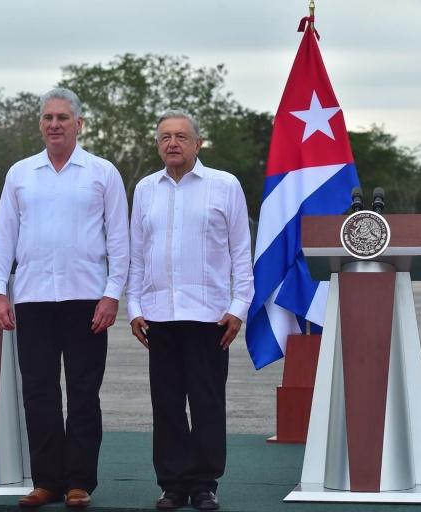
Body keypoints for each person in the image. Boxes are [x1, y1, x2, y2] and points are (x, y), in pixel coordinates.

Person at [0, 88, 130, 508]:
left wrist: (112, 295)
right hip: (32, 298)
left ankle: (79, 482)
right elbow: (4, 238)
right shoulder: (20, 173)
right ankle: (47, 480)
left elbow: (118, 241)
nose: (54, 124)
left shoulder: (102, 173)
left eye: (63, 118)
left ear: (79, 124)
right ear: (40, 124)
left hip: (87, 298)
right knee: (39, 391)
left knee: (84, 392)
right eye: (48, 117)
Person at [126, 111, 254, 510]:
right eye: (165, 137)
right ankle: (172, 484)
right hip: (160, 315)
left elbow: (240, 253)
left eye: (181, 136)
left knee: (207, 401)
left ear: (198, 144)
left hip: (210, 317)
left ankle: (204, 483)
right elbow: (136, 256)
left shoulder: (224, 186)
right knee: (166, 404)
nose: (173, 143)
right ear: (157, 144)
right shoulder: (146, 189)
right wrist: (133, 307)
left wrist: (239, 306)